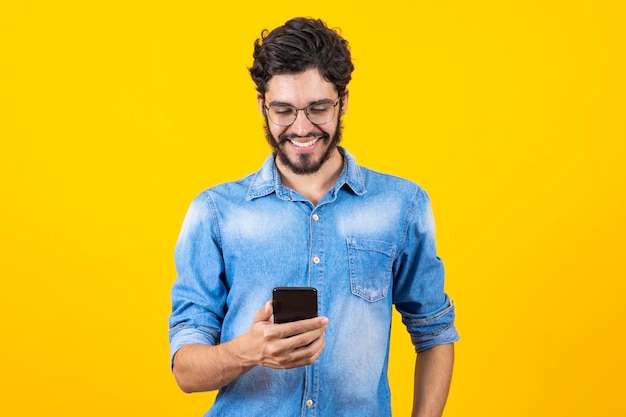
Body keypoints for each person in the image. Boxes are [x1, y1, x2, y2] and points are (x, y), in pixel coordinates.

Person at [169, 17, 459, 417]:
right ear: (262, 106)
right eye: (284, 110)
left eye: (318, 108)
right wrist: (247, 351)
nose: (301, 128)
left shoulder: (402, 205)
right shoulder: (215, 212)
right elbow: (186, 370)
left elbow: (435, 332)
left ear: (343, 101)